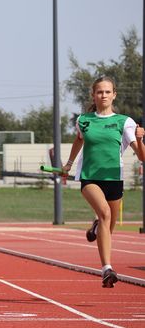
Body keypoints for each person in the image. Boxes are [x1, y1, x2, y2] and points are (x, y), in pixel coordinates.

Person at [62, 76, 145, 288]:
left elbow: (142, 156)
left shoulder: (124, 122)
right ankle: (106, 269)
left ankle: (97, 227)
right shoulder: (84, 120)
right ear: (94, 95)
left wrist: (141, 139)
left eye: (108, 92)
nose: (104, 95)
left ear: (114, 94)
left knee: (109, 227)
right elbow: (79, 141)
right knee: (105, 213)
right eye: (100, 92)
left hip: (114, 179)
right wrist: (69, 164)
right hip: (90, 177)